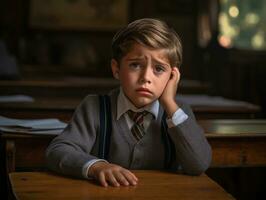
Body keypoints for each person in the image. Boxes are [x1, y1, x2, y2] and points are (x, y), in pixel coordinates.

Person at [46, 18, 212, 187]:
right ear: (116, 69)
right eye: (135, 65)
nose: (146, 78)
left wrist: (169, 103)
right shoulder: (94, 108)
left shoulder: (178, 113)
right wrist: (97, 166)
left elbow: (198, 164)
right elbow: (58, 151)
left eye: (159, 69)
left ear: (172, 76)